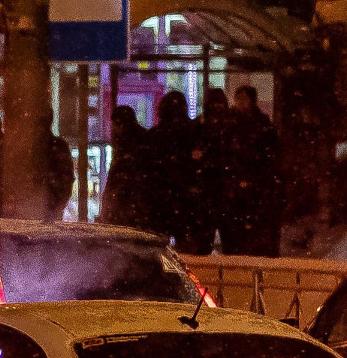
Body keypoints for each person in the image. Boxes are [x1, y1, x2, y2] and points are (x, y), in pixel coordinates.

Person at [225, 85, 283, 256]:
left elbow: (271, 156)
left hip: (255, 186)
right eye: (238, 99)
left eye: (244, 99)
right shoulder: (231, 124)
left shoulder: (261, 126)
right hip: (240, 187)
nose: (240, 103)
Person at [156, 90, 212, 254]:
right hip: (187, 200)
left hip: (166, 198)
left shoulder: (159, 136)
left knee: (162, 245)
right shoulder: (194, 132)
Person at [100, 102, 153, 231]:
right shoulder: (145, 140)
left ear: (119, 124)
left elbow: (117, 178)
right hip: (140, 209)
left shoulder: (124, 146)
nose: (112, 128)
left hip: (126, 208)